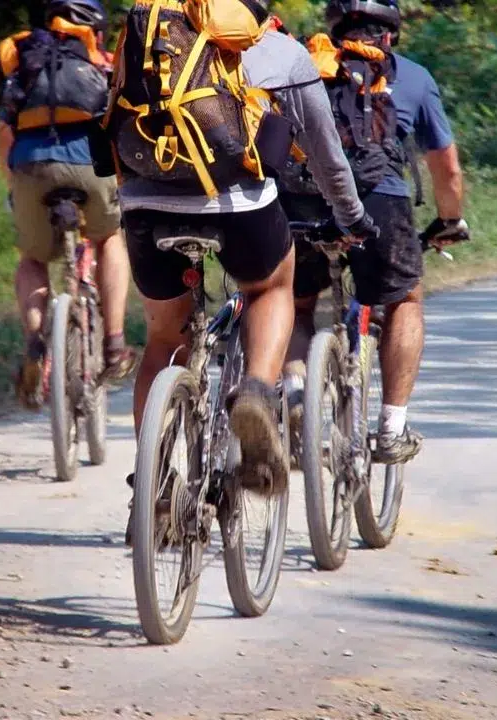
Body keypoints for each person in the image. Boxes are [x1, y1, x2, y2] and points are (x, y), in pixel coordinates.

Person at [113, 1, 377, 503]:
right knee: (271, 287)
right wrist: (351, 216)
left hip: (146, 203)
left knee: (165, 339)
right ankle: (255, 390)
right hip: (239, 205)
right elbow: (324, 152)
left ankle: (154, 485)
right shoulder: (279, 49)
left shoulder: (147, 37)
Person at [284, 0, 468, 466]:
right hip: (378, 200)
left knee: (295, 304)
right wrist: (450, 220)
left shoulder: (303, 63)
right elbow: (446, 168)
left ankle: (295, 397)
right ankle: (391, 427)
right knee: (405, 299)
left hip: (303, 198)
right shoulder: (413, 77)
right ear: (391, 33)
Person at [0, 0, 135, 410]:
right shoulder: (103, 63)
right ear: (96, 29)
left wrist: (14, 184)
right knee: (109, 239)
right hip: (91, 165)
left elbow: (4, 132)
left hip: (30, 165)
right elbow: (122, 129)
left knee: (33, 258)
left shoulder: (27, 62)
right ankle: (114, 343)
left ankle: (35, 341)